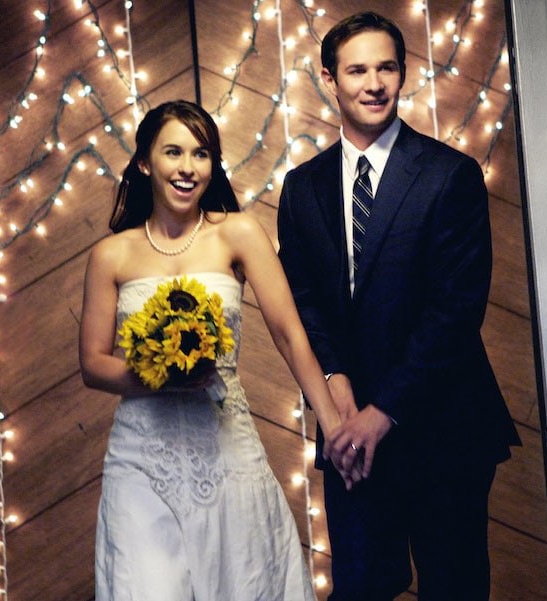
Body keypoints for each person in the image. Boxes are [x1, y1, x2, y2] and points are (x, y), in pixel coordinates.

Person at [277, 11, 522, 601]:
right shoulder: (301, 187)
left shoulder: (450, 175)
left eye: (386, 66)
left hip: (444, 430)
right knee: (359, 589)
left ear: (403, 73)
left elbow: (455, 312)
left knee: (454, 589)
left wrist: (380, 413)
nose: (374, 82)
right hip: (348, 439)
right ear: (330, 79)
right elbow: (302, 300)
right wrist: (336, 391)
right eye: (357, 69)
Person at [79, 100, 354, 601]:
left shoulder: (239, 232)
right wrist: (155, 374)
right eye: (174, 152)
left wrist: (334, 425)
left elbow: (291, 334)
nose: (188, 167)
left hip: (228, 452)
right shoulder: (110, 254)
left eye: (201, 154)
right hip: (141, 461)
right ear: (145, 162)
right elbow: (93, 364)